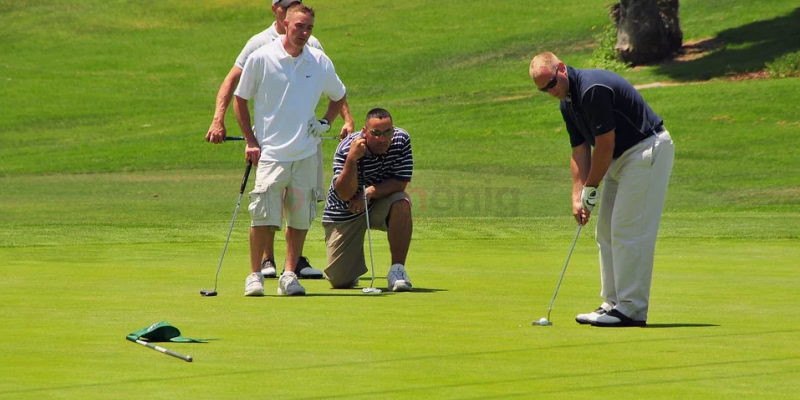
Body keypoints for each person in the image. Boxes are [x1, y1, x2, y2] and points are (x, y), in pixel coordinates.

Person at [206, 0, 355, 280]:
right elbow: (238, 93)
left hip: (306, 153)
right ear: (283, 19)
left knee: (300, 215)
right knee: (264, 214)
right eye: (300, 26)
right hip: (272, 152)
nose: (305, 32)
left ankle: (290, 272)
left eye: (309, 27)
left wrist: (328, 122)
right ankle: (259, 270)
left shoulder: (317, 56)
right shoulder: (260, 51)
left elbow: (337, 92)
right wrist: (244, 136)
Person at [529, 52, 675, 327]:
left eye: (551, 83)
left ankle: (632, 308)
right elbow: (579, 150)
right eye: (543, 90)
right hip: (620, 159)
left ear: (561, 68)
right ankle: (612, 303)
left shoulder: (592, 89)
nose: (551, 92)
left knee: (626, 230)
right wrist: (577, 196)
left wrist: (591, 187)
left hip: (646, 150)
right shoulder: (567, 104)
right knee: (605, 231)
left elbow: (605, 144)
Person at [322, 108, 415, 292]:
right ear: (365, 131)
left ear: (393, 130)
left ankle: (397, 271)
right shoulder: (347, 147)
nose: (382, 139)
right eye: (376, 133)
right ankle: (351, 268)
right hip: (345, 211)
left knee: (401, 202)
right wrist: (352, 159)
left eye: (387, 132)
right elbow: (344, 194)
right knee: (340, 281)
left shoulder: (401, 140)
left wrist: (370, 191)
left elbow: (400, 182)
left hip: (377, 203)